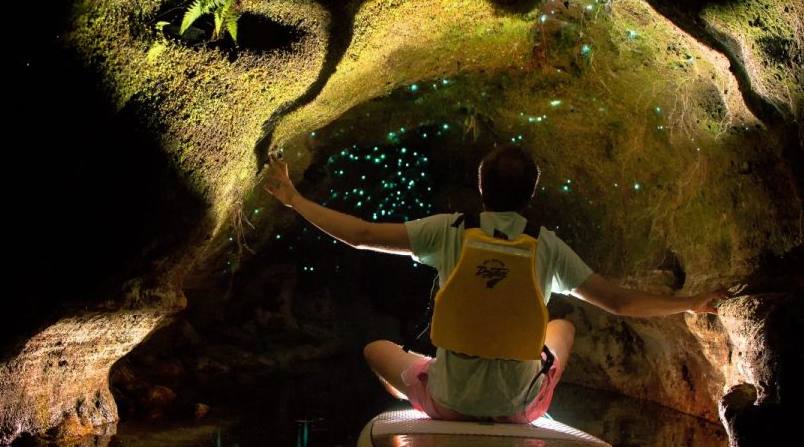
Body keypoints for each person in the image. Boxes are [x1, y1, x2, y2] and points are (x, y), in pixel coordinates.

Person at [263, 144, 727, 423]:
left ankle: (421, 392)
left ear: (481, 188)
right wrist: (692, 302)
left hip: (448, 401)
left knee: (375, 349)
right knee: (561, 328)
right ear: (531, 195)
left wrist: (294, 199)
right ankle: (485, 387)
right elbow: (620, 302)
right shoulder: (546, 247)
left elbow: (361, 236)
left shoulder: (448, 229)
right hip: (519, 408)